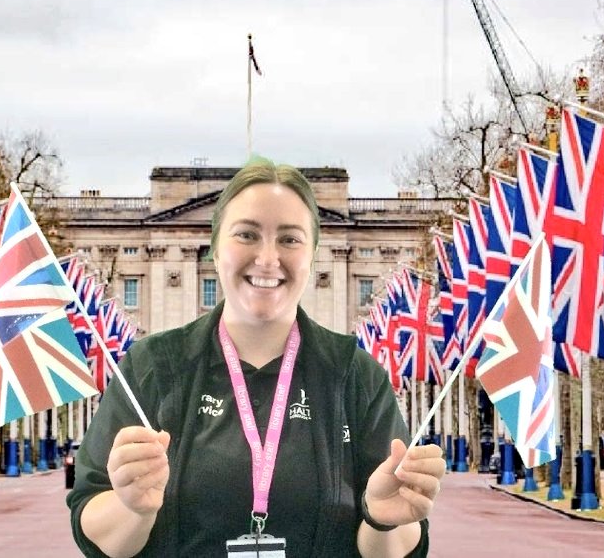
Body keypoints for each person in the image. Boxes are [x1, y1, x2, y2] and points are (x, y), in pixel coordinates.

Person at [67, 159, 445, 557]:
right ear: (215, 250)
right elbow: (94, 528)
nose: (268, 258)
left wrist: (382, 519)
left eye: (290, 239)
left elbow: (394, 548)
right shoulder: (151, 367)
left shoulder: (355, 375)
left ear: (313, 255)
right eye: (246, 234)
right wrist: (132, 508)